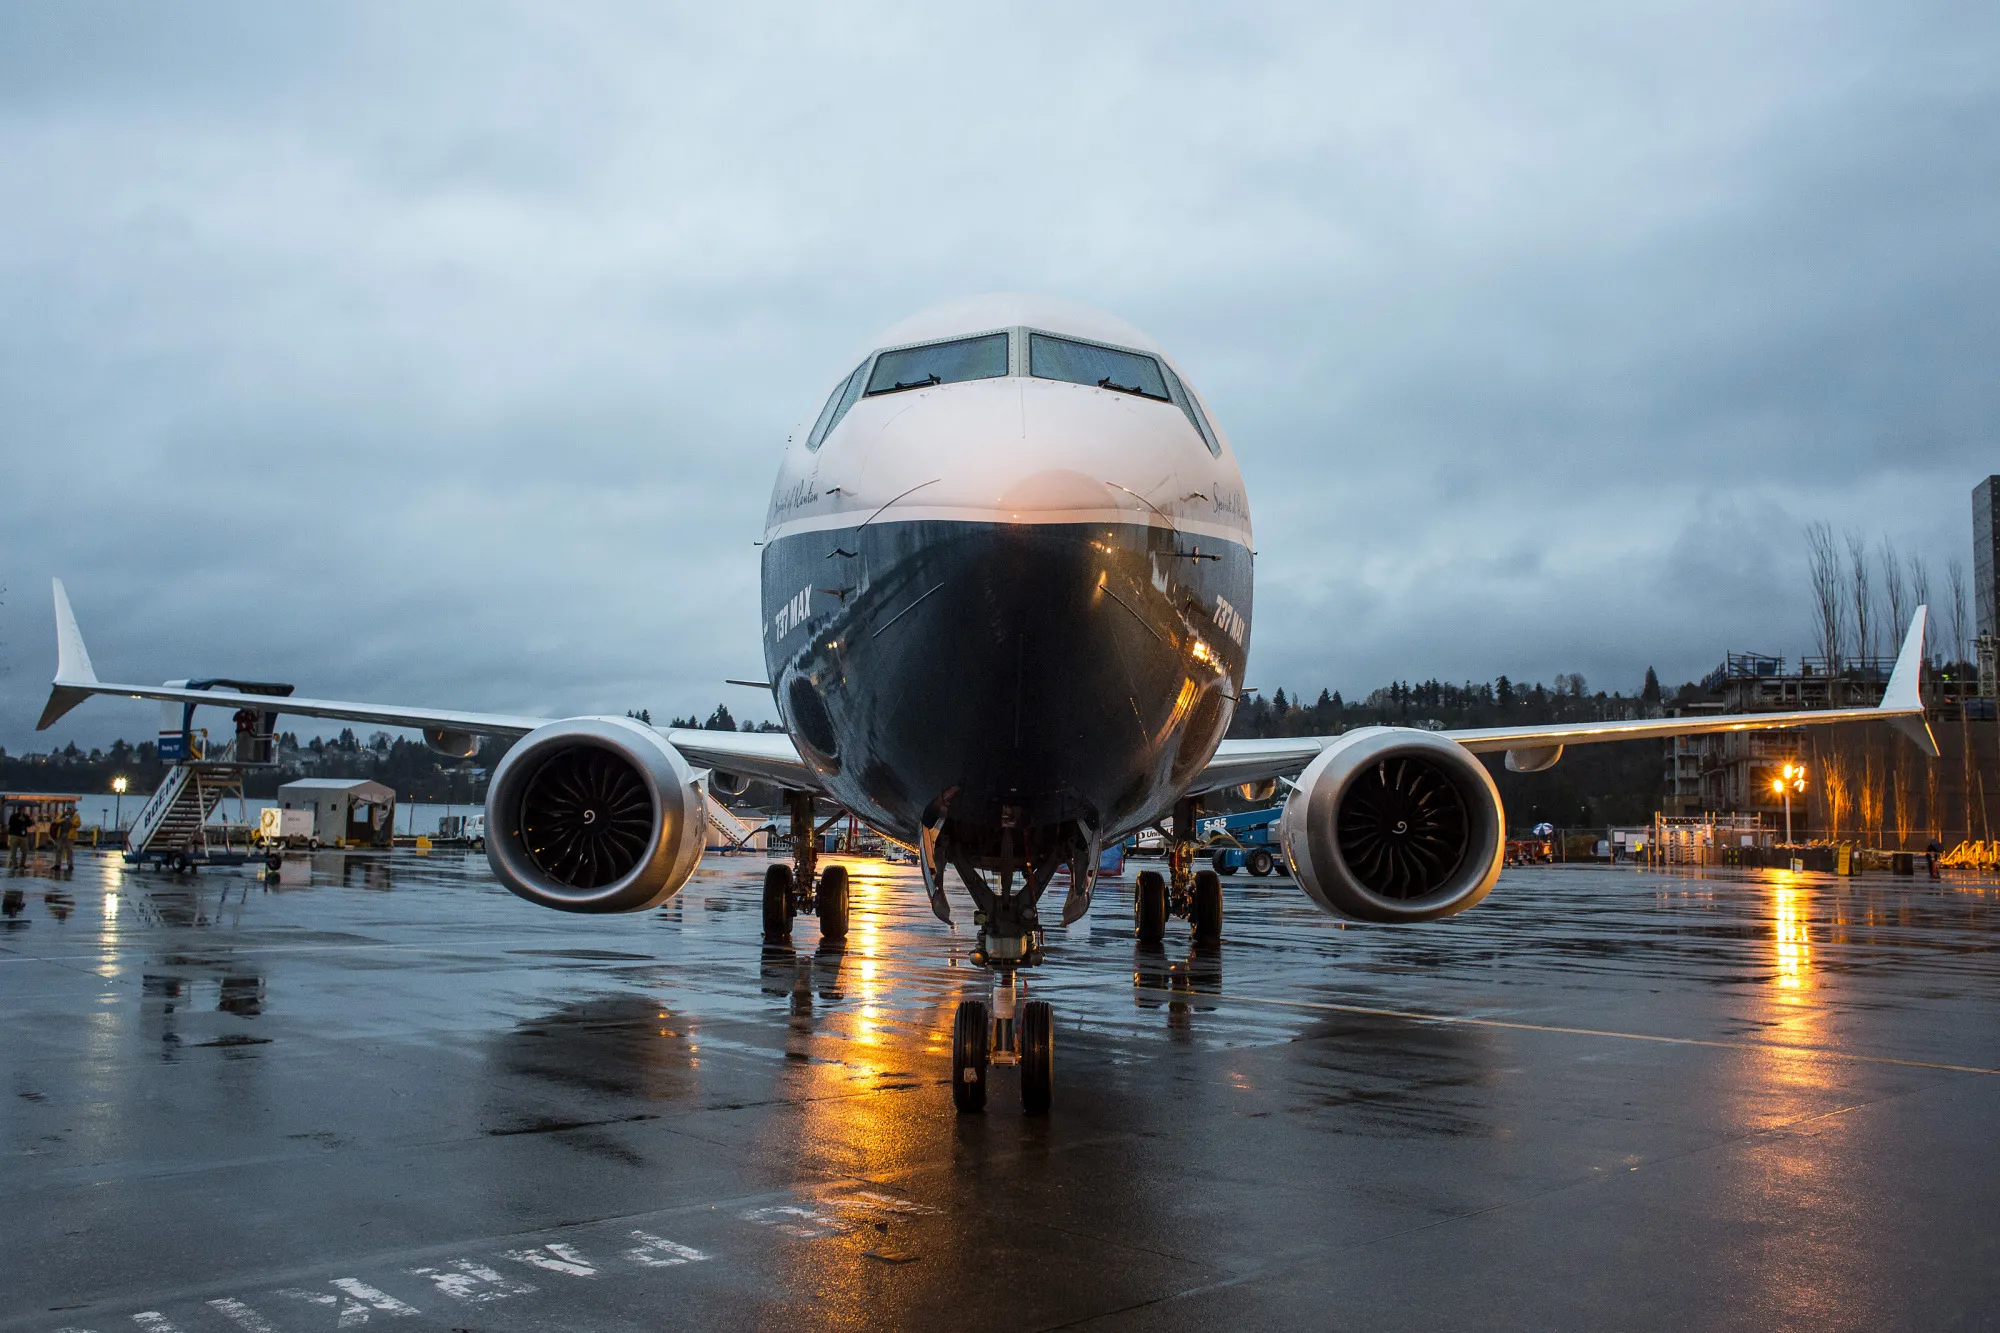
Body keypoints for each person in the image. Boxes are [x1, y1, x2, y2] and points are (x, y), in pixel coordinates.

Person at [51, 807, 76, 873]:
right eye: (68, 809)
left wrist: (71, 822)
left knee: (69, 850)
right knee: (58, 849)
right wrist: (64, 819)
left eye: (70, 809)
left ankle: (70, 865)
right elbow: (56, 821)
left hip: (70, 835)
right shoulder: (61, 814)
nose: (68, 811)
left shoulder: (75, 815)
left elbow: (78, 824)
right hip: (60, 834)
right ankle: (57, 865)